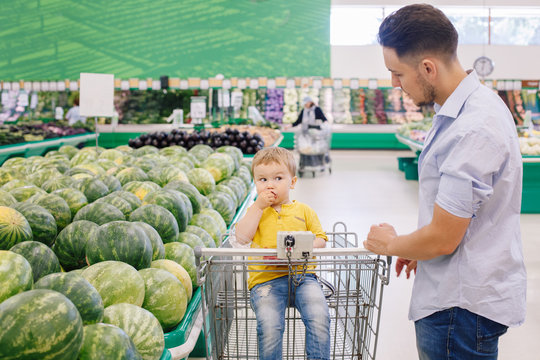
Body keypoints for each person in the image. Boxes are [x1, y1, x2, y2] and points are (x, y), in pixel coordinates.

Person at [363, 4, 526, 360]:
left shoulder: (473, 128)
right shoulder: (474, 106)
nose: (394, 84)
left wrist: (392, 243)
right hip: (464, 296)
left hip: (459, 310)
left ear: (427, 68)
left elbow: (444, 237)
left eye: (397, 73)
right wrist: (415, 246)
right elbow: (463, 217)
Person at [234, 147, 330, 360]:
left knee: (319, 316)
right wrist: (258, 207)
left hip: (304, 277)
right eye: (262, 179)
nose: (269, 184)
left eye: (278, 178)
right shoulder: (255, 211)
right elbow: (241, 237)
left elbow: (321, 239)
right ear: (255, 184)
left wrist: (304, 247)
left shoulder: (304, 211)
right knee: (269, 326)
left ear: (292, 182)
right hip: (265, 280)